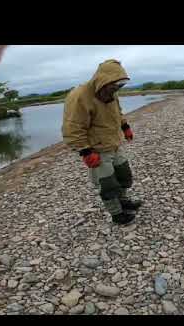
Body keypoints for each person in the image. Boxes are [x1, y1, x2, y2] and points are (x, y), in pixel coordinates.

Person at [62, 59, 142, 225]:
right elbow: (72, 128)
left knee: (124, 175)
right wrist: (85, 151)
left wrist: (125, 126)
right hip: (96, 149)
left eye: (119, 86)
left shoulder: (111, 92)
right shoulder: (79, 96)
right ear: (103, 80)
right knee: (107, 183)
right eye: (115, 86)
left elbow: (117, 112)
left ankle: (124, 201)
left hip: (114, 143)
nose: (116, 89)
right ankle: (117, 214)